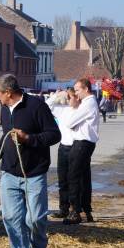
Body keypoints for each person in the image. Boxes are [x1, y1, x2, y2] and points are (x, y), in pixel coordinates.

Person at [0, 74, 61, 248]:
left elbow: (54, 135)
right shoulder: (5, 111)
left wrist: (29, 139)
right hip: (9, 172)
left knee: (35, 219)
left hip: (34, 173)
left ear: (8, 93)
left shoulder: (37, 106)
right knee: (11, 218)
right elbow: (6, 137)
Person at [63, 78, 100, 225]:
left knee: (73, 176)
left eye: (77, 90)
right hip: (85, 142)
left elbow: (69, 122)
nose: (76, 94)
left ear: (86, 89)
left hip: (82, 142)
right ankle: (85, 209)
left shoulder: (88, 103)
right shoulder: (89, 103)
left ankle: (75, 211)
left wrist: (73, 108)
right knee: (84, 177)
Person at [46, 89, 76, 219]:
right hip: (63, 146)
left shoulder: (80, 109)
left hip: (76, 146)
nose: (68, 99)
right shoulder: (61, 109)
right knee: (62, 180)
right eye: (67, 96)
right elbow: (47, 105)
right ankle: (63, 208)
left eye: (70, 96)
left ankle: (75, 208)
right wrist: (57, 95)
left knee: (74, 180)